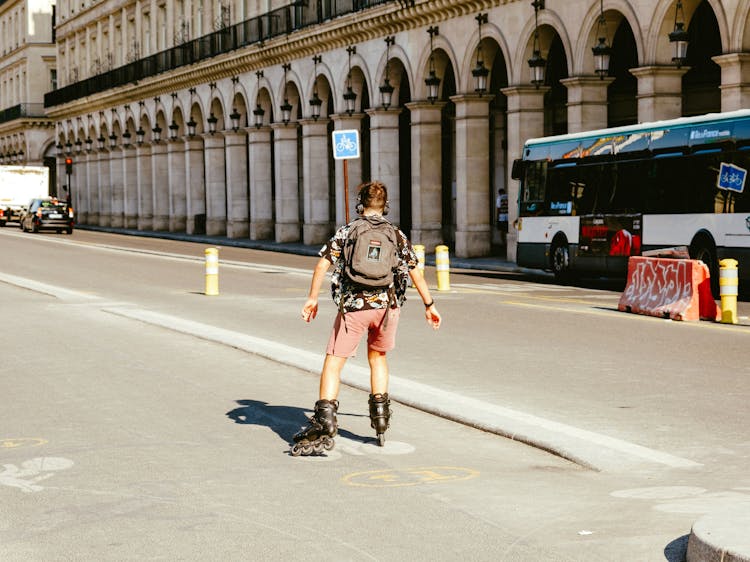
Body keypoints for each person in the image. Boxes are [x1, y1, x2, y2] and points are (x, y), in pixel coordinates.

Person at [292, 180, 442, 456]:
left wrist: (312, 298)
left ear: (360, 204)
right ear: (385, 205)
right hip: (387, 307)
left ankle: (325, 420)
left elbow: (322, 264)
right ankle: (381, 419)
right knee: (378, 359)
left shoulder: (348, 231)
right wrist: (429, 304)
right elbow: (414, 271)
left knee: (334, 361)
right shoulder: (396, 235)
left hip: (354, 307)